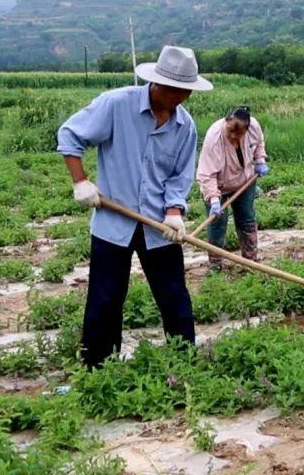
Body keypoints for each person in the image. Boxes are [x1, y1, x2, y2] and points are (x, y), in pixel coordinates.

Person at [57, 45, 212, 368]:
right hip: (113, 224)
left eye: (186, 92)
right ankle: (97, 368)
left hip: (159, 227)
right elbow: (70, 135)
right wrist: (80, 181)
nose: (180, 98)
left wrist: (174, 212)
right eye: (174, 90)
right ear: (156, 83)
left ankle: (183, 362)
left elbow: (179, 175)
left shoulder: (185, 126)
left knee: (174, 297)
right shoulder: (117, 105)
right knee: (105, 298)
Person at [196, 106, 269, 271]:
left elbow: (259, 143)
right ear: (225, 122)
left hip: (245, 182)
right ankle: (215, 265)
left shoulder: (254, 127)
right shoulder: (214, 137)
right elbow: (207, 174)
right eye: (230, 131)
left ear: (247, 129)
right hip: (218, 186)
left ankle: (250, 261)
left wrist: (260, 160)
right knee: (217, 224)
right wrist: (214, 200)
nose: (233, 136)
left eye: (239, 133)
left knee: (247, 218)